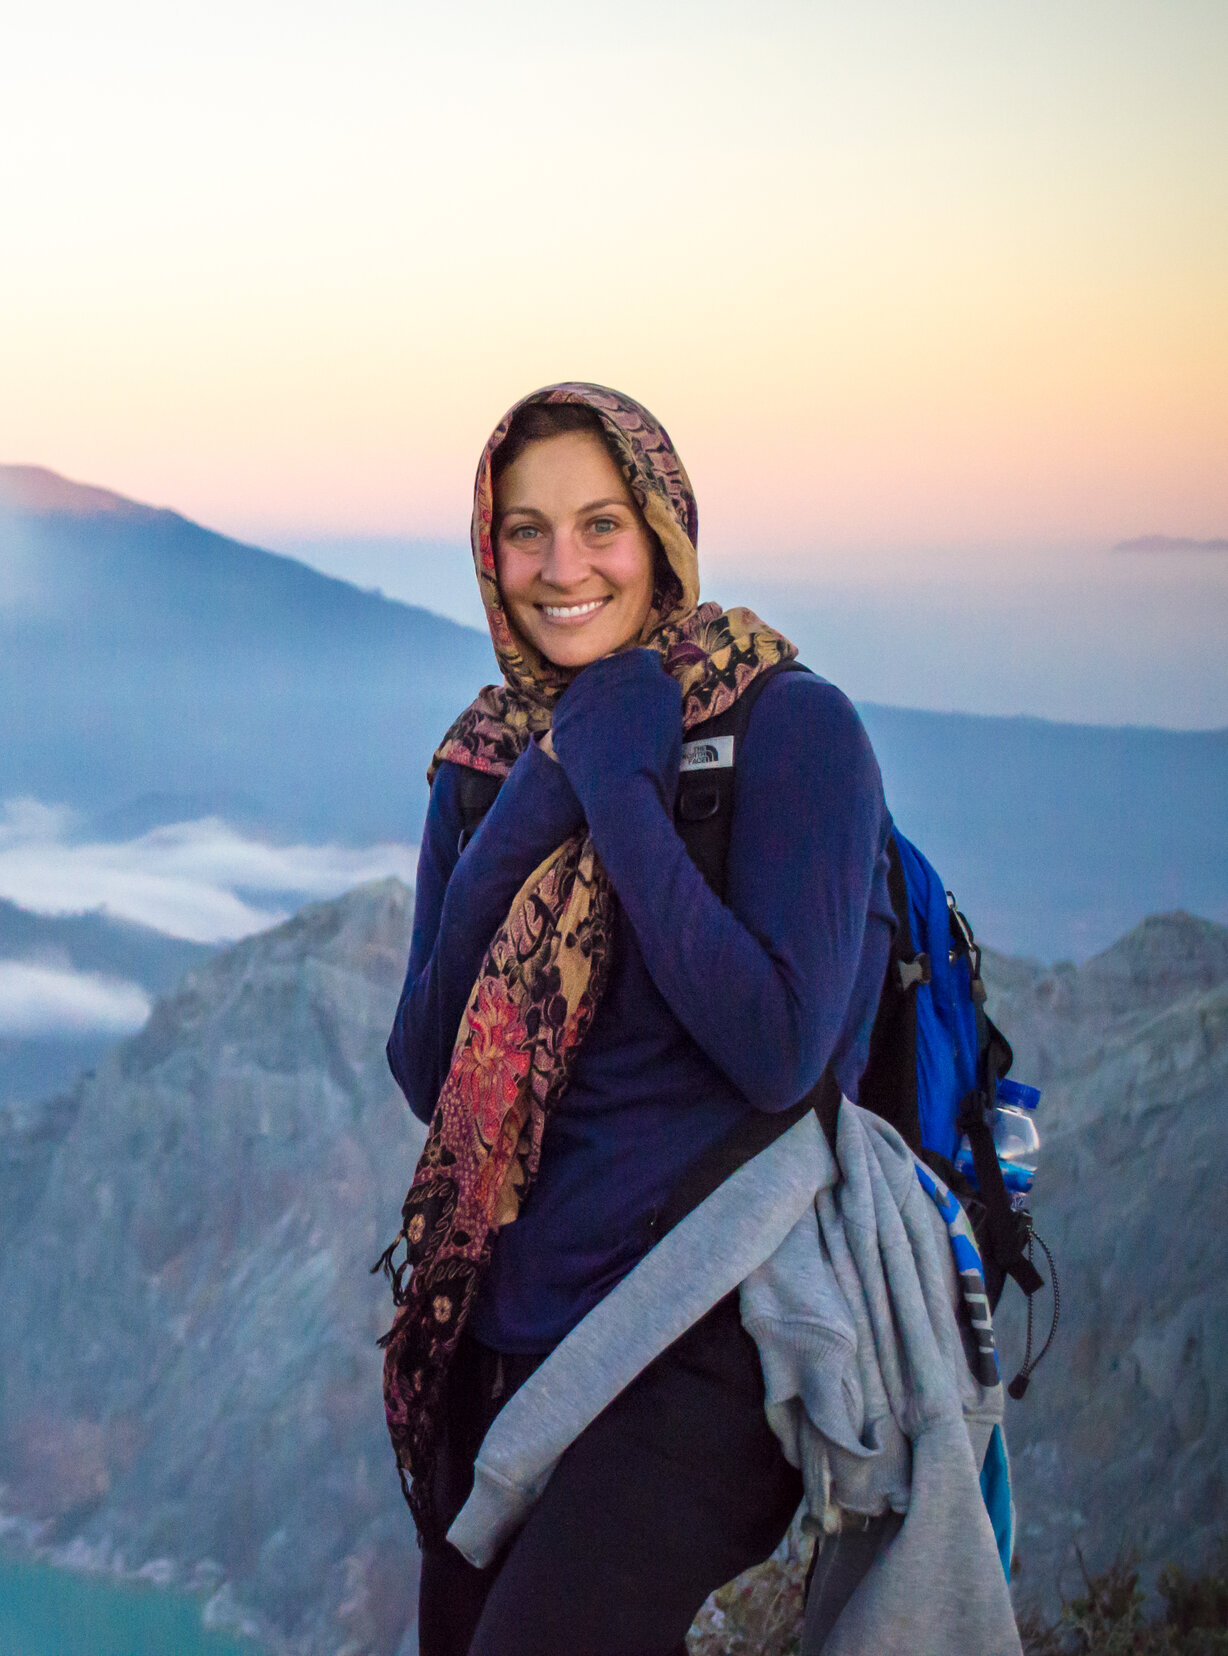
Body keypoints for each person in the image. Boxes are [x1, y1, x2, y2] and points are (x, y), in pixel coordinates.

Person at [380, 383, 896, 1656]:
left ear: (662, 529)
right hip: (502, 1337)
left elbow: (778, 1046)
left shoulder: (791, 729)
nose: (563, 569)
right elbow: (424, 1064)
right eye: (524, 531)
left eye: (600, 525)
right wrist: (542, 788)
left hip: (698, 1335)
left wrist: (618, 790)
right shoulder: (489, 753)